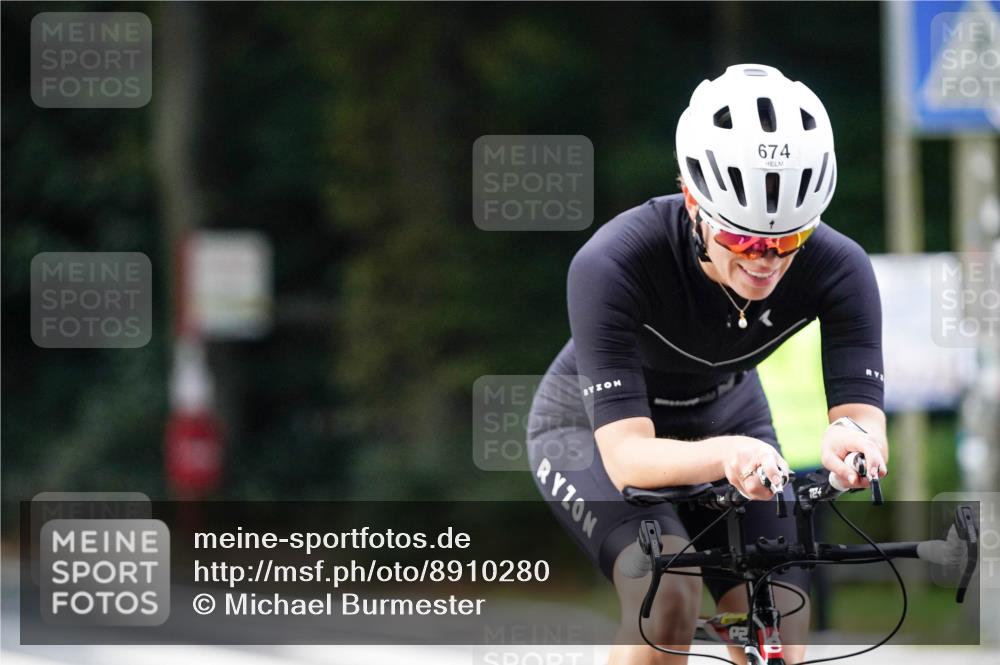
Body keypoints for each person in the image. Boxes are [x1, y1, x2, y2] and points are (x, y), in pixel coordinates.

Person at [526, 64, 889, 665]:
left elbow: (861, 416)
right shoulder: (614, 262)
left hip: (730, 417)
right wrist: (726, 456)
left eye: (789, 241)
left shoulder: (841, 267)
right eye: (744, 240)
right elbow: (626, 458)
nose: (766, 262)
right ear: (694, 202)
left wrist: (854, 446)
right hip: (592, 430)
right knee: (668, 597)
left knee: (782, 625)